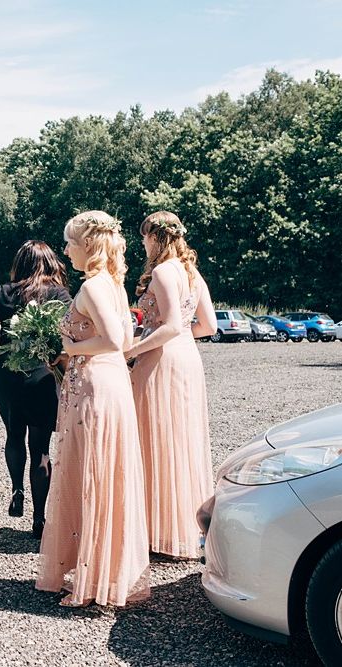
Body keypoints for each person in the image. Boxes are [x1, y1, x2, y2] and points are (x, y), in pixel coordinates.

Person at [36, 211, 149, 608]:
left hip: (95, 385)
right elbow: (128, 335)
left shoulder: (94, 287)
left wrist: (69, 348)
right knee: (99, 474)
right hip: (104, 382)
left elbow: (116, 339)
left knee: (93, 476)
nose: (66, 251)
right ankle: (98, 569)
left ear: (87, 245)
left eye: (70, 243)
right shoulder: (112, 285)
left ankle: (94, 577)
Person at [126, 211, 217, 559]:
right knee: (179, 441)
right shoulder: (192, 273)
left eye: (145, 236)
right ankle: (181, 529)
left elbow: (168, 326)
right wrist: (178, 338)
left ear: (157, 238)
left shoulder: (164, 271)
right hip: (187, 359)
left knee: (156, 440)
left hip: (161, 361)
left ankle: (156, 531)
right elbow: (207, 326)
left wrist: (132, 348)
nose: (143, 243)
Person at [0, 240, 71, 539]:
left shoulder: (5, 292)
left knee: (14, 436)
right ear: (50, 263)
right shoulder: (59, 295)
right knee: (40, 448)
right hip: (43, 375)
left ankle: (17, 489)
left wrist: (7, 344)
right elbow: (68, 336)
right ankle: (40, 517)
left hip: (8, 375)